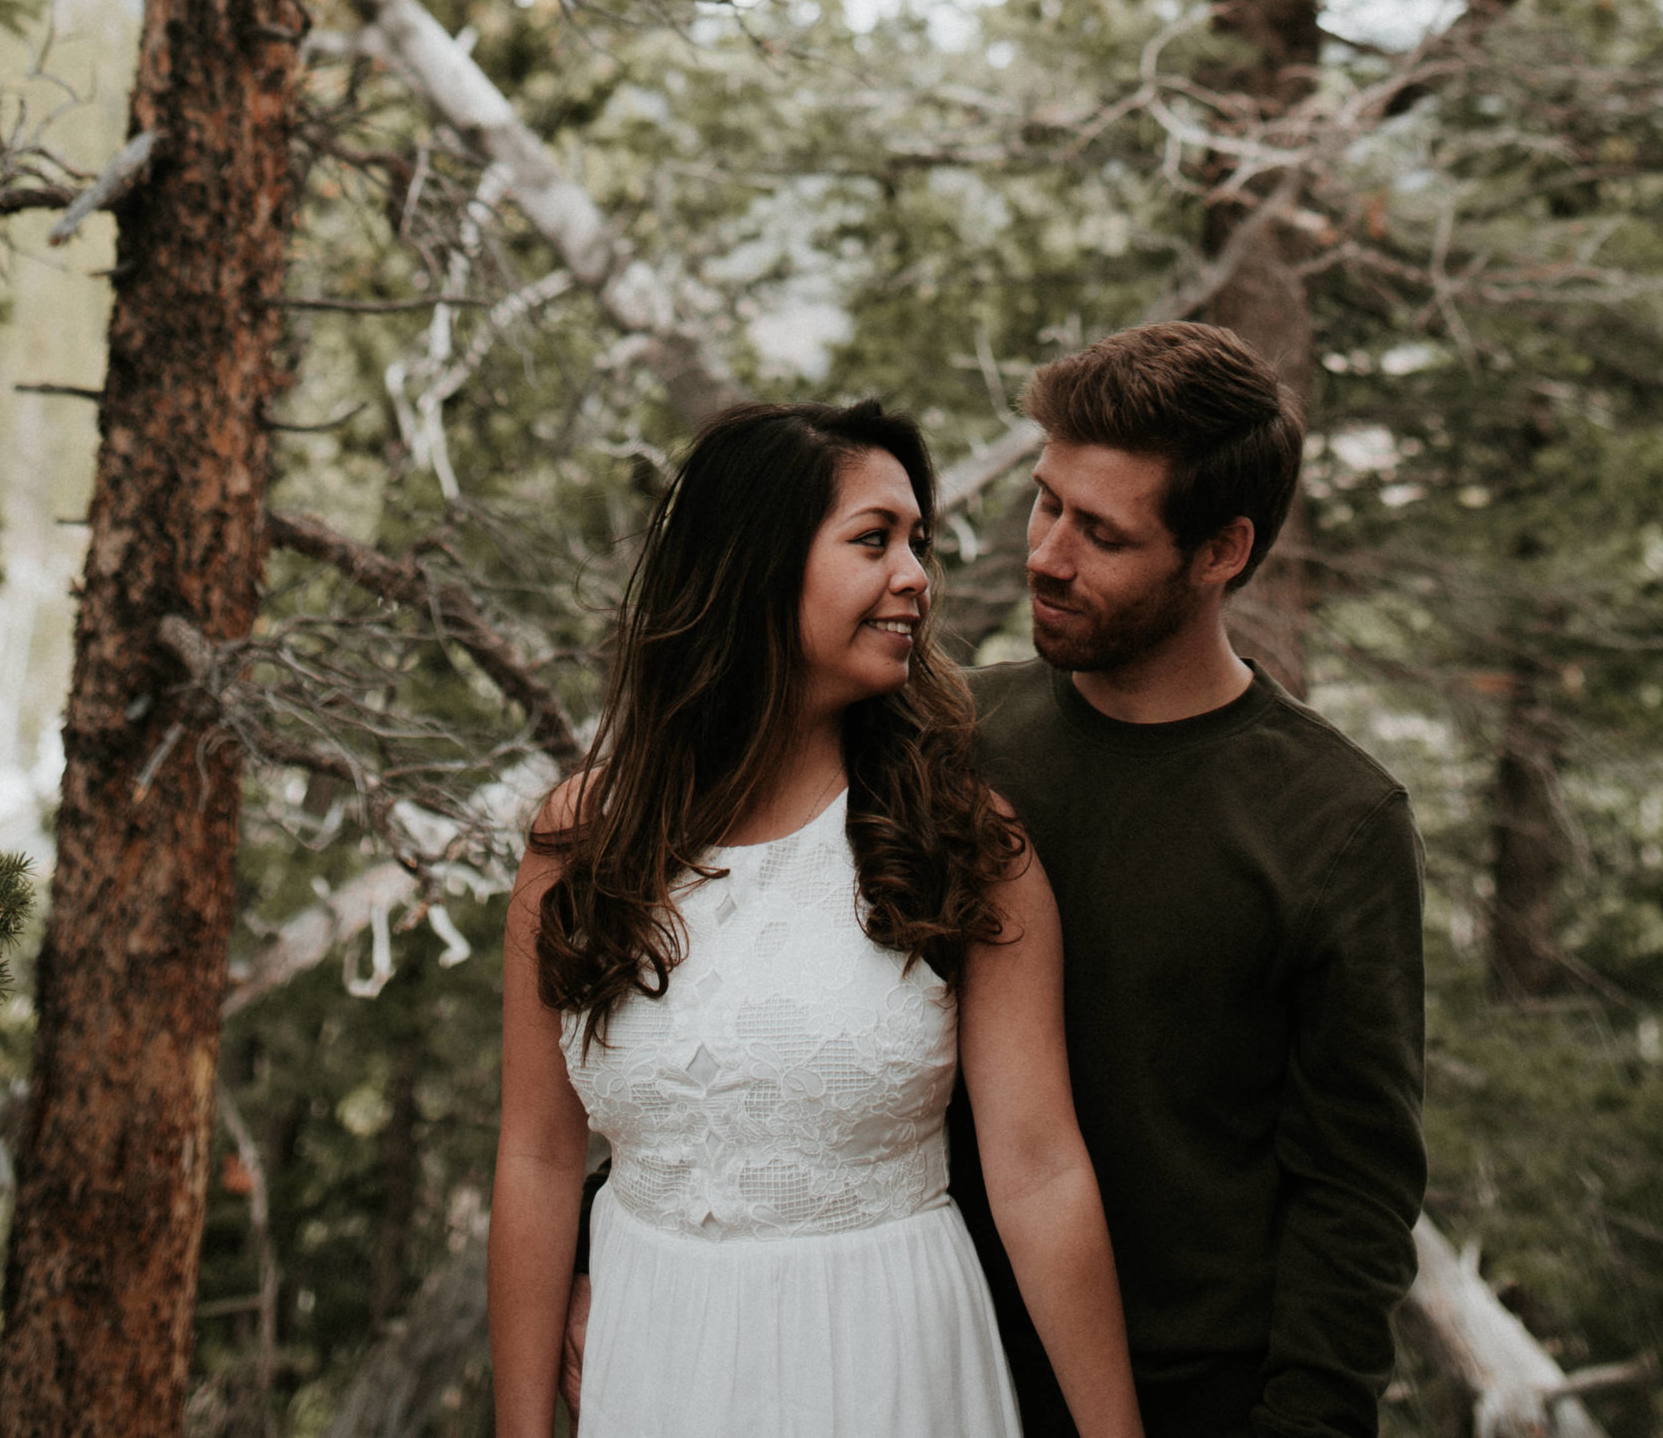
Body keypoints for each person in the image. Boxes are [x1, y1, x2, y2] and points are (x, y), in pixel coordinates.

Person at [487, 397, 1147, 1438]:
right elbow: (534, 1156)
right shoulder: (583, 842)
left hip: (889, 1364)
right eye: (873, 539)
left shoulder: (957, 839)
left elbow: (1040, 1169)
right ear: (756, 563)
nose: (917, 576)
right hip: (656, 1363)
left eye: (917, 542)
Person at [955, 323, 1427, 1438]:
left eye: (1101, 533)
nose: (1045, 554)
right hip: (929, 1365)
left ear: (1220, 551)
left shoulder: (1337, 821)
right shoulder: (953, 736)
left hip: (1190, 1403)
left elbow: (1354, 1192)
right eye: (1046, 502)